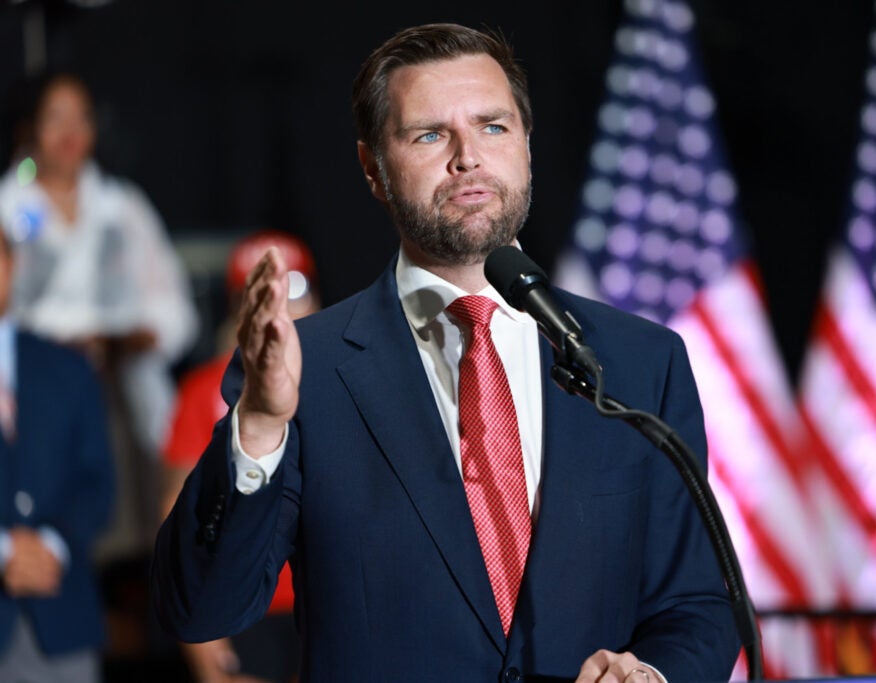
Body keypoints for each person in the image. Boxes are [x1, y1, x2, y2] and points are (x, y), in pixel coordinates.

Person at [153, 23, 740, 682]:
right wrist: (259, 423)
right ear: (373, 167)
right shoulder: (304, 373)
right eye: (429, 135)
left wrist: (653, 674)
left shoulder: (642, 360)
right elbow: (200, 609)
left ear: (525, 144)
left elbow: (695, 606)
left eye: (493, 126)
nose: (468, 157)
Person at [0, 72, 199, 560]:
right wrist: (55, 346)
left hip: (122, 391)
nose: (70, 132)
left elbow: (176, 311)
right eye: (55, 117)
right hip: (33, 397)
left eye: (81, 117)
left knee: (146, 534)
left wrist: (124, 340)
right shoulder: (9, 207)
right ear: (29, 127)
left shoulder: (121, 206)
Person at [161, 230, 318, 683]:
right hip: (243, 605)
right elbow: (174, 507)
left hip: (328, 598)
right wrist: (200, 633)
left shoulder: (346, 378)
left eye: (296, 291)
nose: (282, 309)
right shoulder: (202, 389)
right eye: (264, 296)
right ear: (238, 309)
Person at [0, 222, 116, 683]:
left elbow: (98, 481)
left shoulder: (67, 368)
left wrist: (52, 545)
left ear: (12, 264)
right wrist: (4, 551)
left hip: (63, 615)